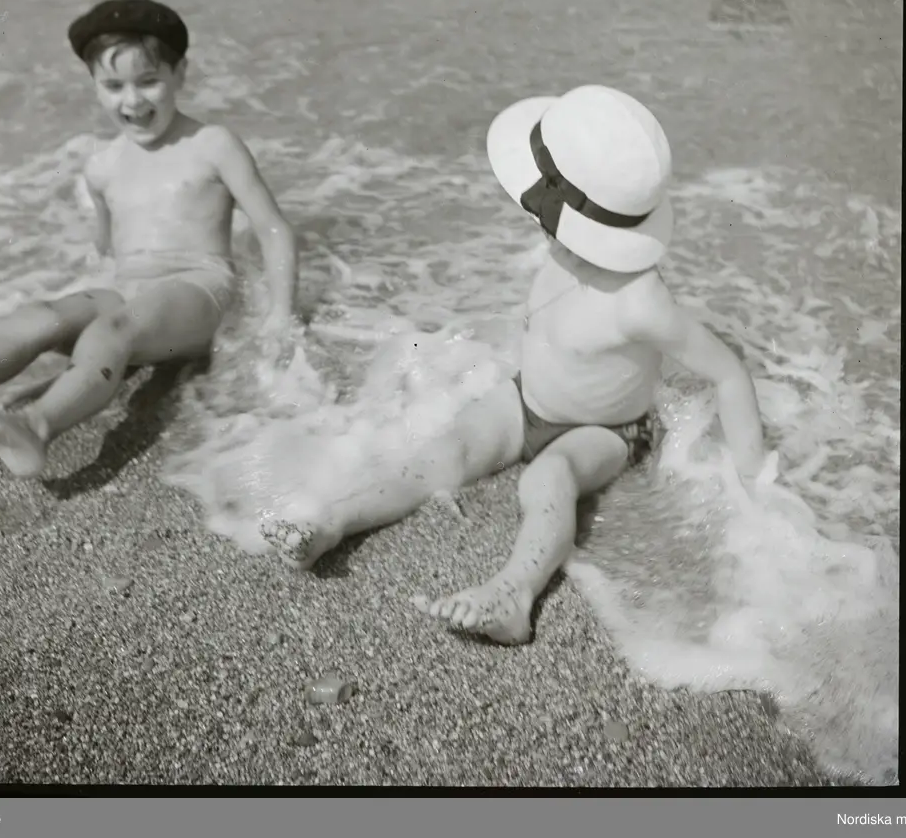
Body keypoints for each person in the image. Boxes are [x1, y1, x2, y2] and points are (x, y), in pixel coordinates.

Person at [254, 86, 766, 645]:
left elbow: (728, 373)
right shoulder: (567, 249)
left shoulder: (641, 302)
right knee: (444, 450)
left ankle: (514, 594)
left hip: (604, 430)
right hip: (526, 399)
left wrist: (755, 488)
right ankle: (334, 521)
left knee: (549, 478)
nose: (535, 216)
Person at [0, 0, 300, 478]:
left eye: (148, 81)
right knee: (41, 317)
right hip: (129, 289)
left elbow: (274, 228)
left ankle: (35, 426)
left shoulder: (212, 144)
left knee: (110, 330)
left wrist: (280, 316)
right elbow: (106, 249)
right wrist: (78, 303)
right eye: (114, 86)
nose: (132, 101)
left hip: (199, 286)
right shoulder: (102, 166)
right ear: (95, 85)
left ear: (180, 73)